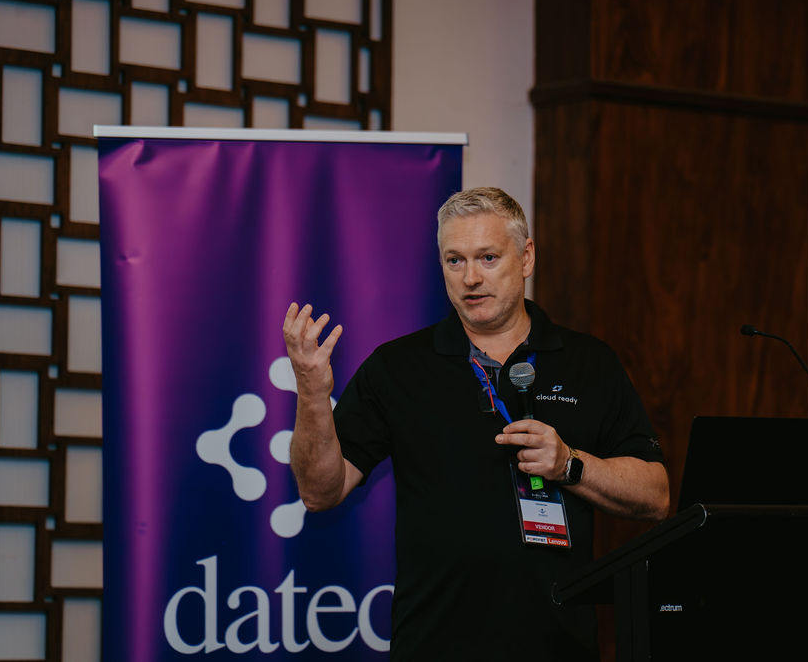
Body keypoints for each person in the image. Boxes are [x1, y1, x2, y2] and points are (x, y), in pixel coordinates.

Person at [283, 187, 669, 660]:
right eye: (455, 260)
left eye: (488, 257)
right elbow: (319, 491)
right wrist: (312, 392)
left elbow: (656, 496)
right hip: (435, 646)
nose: (470, 278)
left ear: (526, 258)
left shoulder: (589, 363)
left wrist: (570, 465)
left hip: (558, 647)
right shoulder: (397, 367)